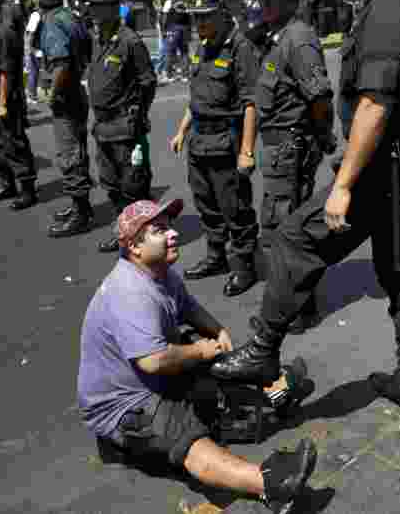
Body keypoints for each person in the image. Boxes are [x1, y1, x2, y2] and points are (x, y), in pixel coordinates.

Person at [210, 0, 400, 423]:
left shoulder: (392, 4)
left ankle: (263, 348)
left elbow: (374, 104)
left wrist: (342, 185)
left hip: (387, 166)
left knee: (297, 238)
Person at [77, 198, 317, 514]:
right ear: (134, 247)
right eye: (159, 230)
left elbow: (188, 307)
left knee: (204, 351)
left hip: (152, 378)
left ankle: (276, 390)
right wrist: (202, 350)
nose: (173, 234)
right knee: (184, 432)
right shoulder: (129, 292)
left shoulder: (159, 272)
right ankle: (270, 484)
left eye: (170, 226)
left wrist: (217, 332)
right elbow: (153, 360)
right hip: (124, 405)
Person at [247, 0, 336, 334]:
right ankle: (293, 303)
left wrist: (322, 136)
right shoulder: (276, 37)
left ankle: (294, 310)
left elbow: (319, 97)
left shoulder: (297, 39)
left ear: (291, 1)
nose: (264, 4)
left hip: (290, 147)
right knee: (282, 227)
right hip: (278, 147)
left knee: (285, 229)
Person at [169, 0, 261, 297]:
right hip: (199, 140)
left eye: (206, 17)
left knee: (234, 207)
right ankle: (216, 257)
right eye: (196, 18)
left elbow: (251, 103)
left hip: (226, 140)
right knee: (206, 204)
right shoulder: (203, 46)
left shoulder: (240, 48)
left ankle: (245, 266)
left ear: (223, 14)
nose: (199, 24)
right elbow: (197, 97)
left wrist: (247, 151)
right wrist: (182, 131)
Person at [85, 0, 158, 252]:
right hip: (103, 127)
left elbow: (148, 81)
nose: (93, 11)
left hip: (125, 127)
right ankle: (125, 233)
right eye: (92, 6)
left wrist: (139, 112)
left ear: (114, 9)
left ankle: (146, 237)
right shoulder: (98, 39)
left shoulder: (130, 41)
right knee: (111, 184)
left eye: (99, 6)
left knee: (133, 186)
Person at [35, 0, 96, 237]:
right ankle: (81, 206)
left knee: (69, 154)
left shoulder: (52, 21)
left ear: (41, 3)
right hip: (76, 90)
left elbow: (60, 63)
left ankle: (81, 214)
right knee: (77, 151)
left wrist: (52, 95)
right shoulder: (72, 17)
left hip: (66, 94)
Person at [0, 0, 39, 211]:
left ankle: (27, 190)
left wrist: (3, 102)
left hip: (3, 97)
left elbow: (6, 71)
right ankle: (7, 184)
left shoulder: (4, 32)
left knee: (14, 142)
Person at [160, 0, 191, 82]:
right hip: (184, 30)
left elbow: (165, 17)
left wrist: (163, 30)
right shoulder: (185, 3)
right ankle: (185, 75)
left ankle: (170, 75)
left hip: (173, 29)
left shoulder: (169, 2)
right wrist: (189, 32)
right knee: (184, 52)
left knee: (169, 52)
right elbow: (189, 18)